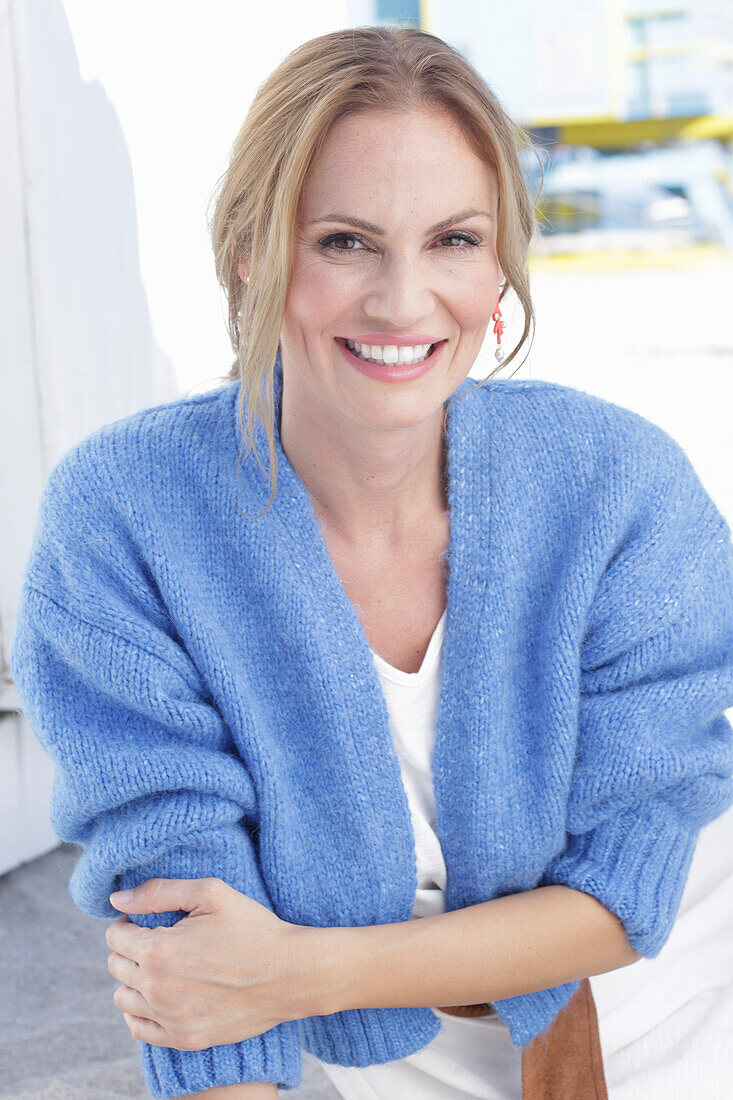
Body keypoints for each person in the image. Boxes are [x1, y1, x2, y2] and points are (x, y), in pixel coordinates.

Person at [9, 24, 733, 1100]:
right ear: (252, 247)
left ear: (499, 265)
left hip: (684, 985)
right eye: (345, 240)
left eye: (453, 239)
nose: (402, 300)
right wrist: (258, 990)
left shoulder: (616, 482)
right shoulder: (125, 517)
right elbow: (190, 944)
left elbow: (624, 890)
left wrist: (295, 971)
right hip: (388, 1042)